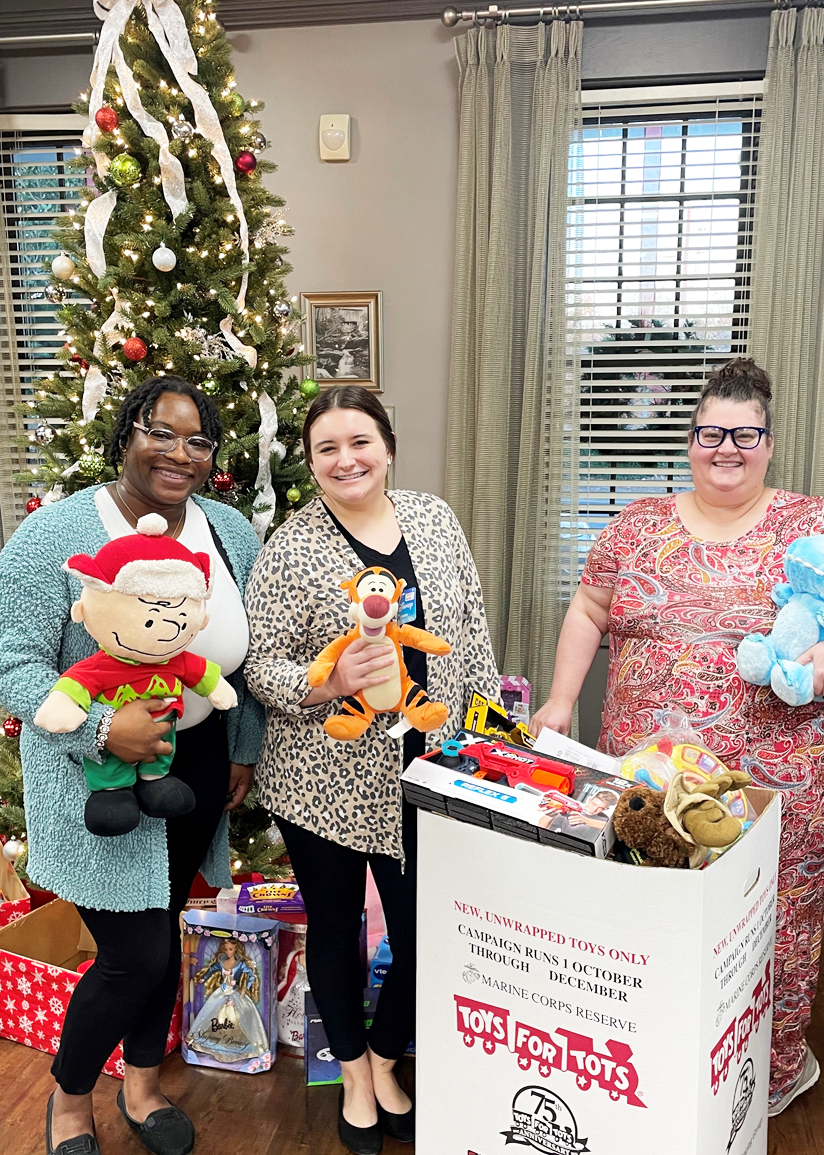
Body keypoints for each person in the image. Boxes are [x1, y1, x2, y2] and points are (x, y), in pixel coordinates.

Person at [531, 358, 824, 1116]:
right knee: (650, 906)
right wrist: (560, 702)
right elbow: (588, 611)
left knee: (777, 913)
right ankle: (662, 1055)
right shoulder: (636, 524)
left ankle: (771, 1070)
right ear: (690, 440)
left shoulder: (816, 524)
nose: (725, 448)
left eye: (744, 433)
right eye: (710, 432)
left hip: (779, 773)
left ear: (768, 441)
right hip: (652, 770)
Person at [0, 377, 264, 1155]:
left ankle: (143, 1087)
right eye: (161, 432)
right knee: (132, 954)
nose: (179, 453)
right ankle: (71, 1103)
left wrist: (241, 750)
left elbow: (244, 662)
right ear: (126, 435)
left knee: (165, 928)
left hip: (196, 770)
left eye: (198, 440)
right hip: (96, 780)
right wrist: (107, 728)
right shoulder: (58, 536)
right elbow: (12, 665)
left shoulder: (230, 532)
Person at [243, 386, 499, 1154]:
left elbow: (473, 630)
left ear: (387, 446)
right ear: (311, 463)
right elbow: (260, 666)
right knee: (336, 927)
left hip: (431, 766)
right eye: (327, 448)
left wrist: (487, 736)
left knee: (424, 929)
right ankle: (354, 1074)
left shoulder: (433, 517)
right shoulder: (291, 548)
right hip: (321, 780)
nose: (346, 459)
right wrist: (328, 684)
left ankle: (388, 1058)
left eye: (360, 442)